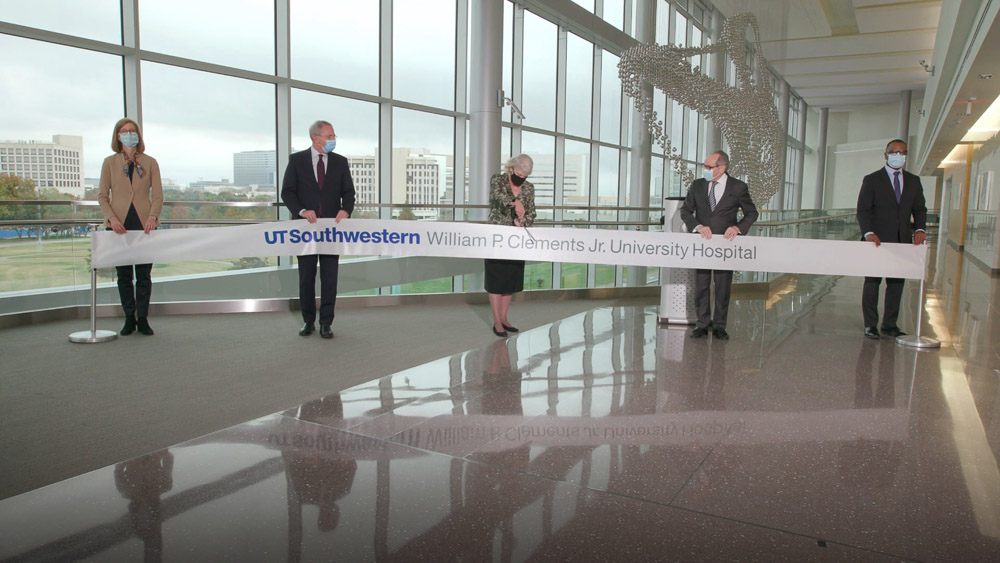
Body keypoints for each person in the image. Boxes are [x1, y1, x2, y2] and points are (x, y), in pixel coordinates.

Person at [281, 120, 355, 339]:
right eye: (330, 136)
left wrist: (346, 210)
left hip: (332, 229)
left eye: (334, 136)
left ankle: (326, 322)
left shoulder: (340, 162)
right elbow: (287, 192)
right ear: (316, 138)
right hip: (306, 229)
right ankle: (308, 321)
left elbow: (349, 192)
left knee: (330, 276)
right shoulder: (296, 160)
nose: (333, 140)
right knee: (307, 276)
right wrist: (302, 210)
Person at [679, 150, 758, 341]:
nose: (704, 170)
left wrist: (738, 228)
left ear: (722, 168)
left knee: (723, 286)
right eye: (704, 166)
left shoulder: (738, 187)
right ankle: (702, 324)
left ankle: (720, 326)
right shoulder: (697, 185)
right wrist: (697, 225)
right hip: (703, 245)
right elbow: (686, 211)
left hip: (725, 245)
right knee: (701, 286)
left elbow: (751, 213)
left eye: (708, 167)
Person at [856, 138, 927, 339]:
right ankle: (870, 325)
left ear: (906, 155)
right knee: (872, 283)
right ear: (886, 155)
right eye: (894, 152)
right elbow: (863, 210)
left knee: (896, 284)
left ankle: (890, 324)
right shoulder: (872, 180)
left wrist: (920, 228)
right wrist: (868, 233)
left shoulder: (913, 181)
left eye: (902, 152)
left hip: (901, 241)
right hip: (876, 241)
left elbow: (920, 209)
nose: (898, 155)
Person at [98, 118, 163, 336]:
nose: (128, 134)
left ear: (138, 135)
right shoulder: (109, 163)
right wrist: (112, 219)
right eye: (124, 131)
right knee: (124, 275)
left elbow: (158, 195)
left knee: (144, 275)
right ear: (117, 136)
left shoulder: (150, 162)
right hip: (119, 226)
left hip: (145, 225)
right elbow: (102, 196)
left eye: (132, 131)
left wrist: (153, 216)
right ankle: (129, 318)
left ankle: (143, 318)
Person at [485, 154, 536, 338]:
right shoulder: (498, 180)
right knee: (496, 279)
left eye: (525, 176)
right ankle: (496, 321)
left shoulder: (529, 188)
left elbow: (532, 212)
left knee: (510, 280)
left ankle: (505, 318)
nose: (521, 178)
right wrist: (515, 202)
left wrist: (523, 219)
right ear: (511, 168)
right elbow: (496, 198)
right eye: (519, 174)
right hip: (497, 236)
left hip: (516, 239)